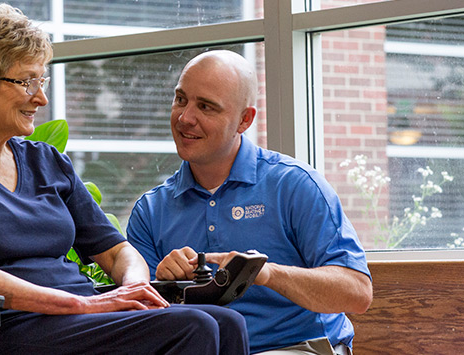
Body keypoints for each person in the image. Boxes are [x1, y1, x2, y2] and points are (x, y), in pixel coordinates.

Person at [0, 5, 248, 354]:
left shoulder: (45, 160)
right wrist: (78, 305)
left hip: (76, 320)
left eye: (41, 81)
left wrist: (134, 288)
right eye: (26, 82)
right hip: (1, 328)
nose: (41, 97)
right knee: (193, 326)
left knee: (227, 322)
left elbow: (117, 253)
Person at [126, 50, 373, 355]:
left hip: (296, 348)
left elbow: (357, 293)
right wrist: (163, 282)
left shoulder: (294, 185)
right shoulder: (150, 210)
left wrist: (266, 274)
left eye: (206, 107)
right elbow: (138, 319)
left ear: (244, 120)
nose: (185, 117)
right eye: (181, 99)